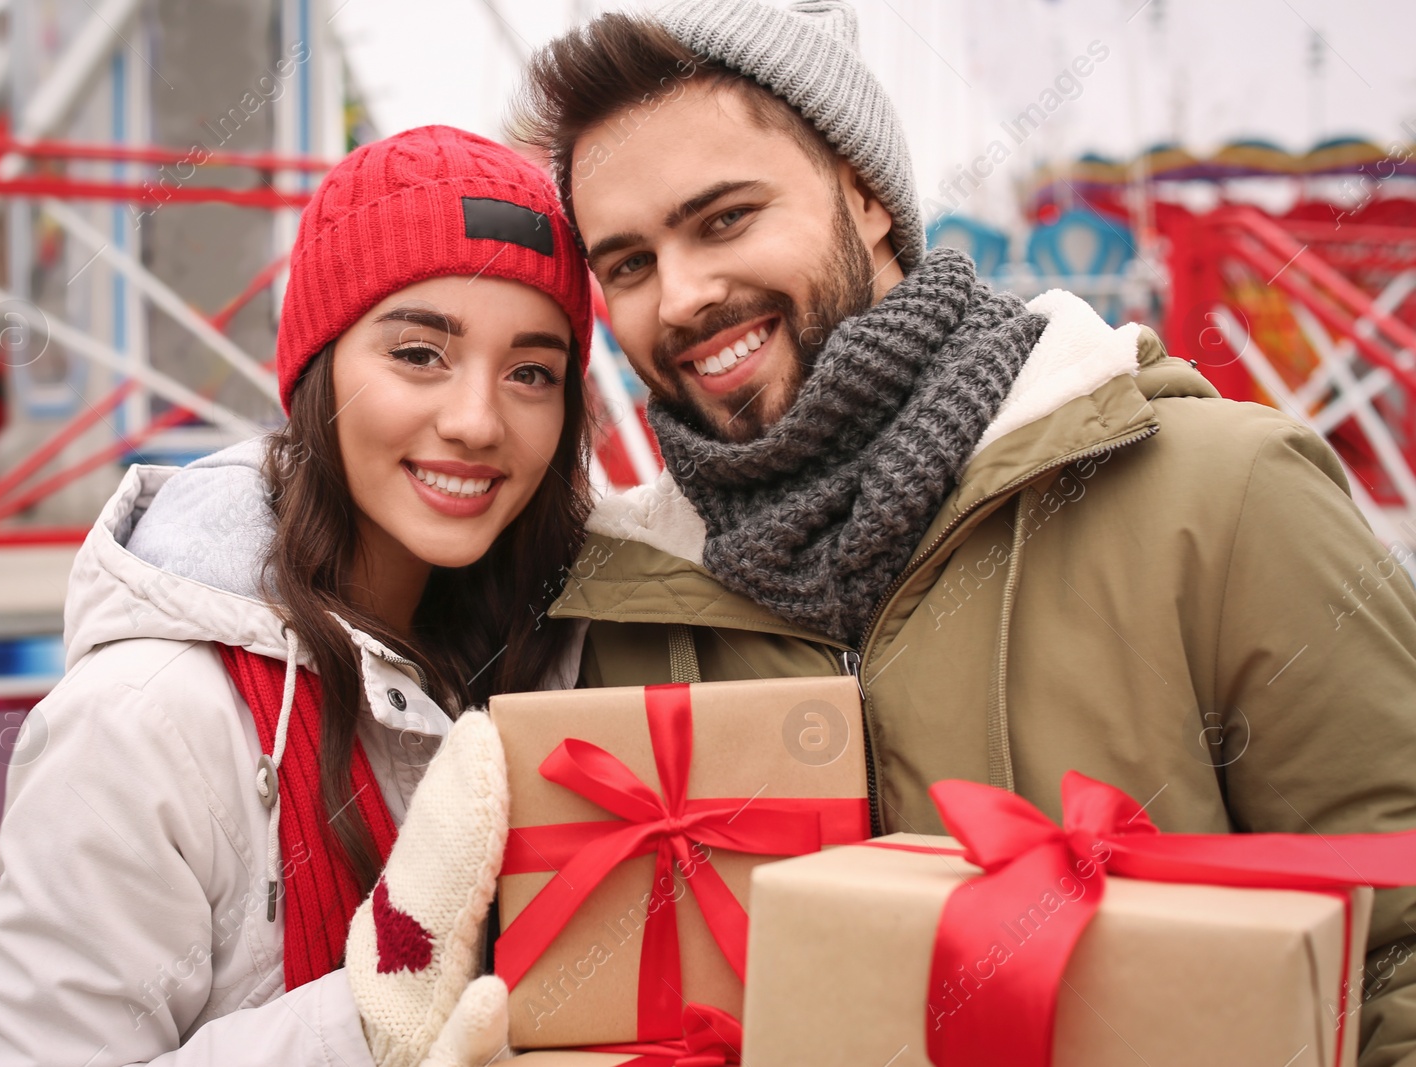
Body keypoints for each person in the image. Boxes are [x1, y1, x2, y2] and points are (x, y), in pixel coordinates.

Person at [505, 0, 1416, 1059]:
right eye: (628, 264)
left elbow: (1398, 944)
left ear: (864, 192)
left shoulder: (1223, 498)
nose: (682, 296)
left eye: (724, 219)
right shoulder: (616, 606)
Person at [0, 125, 595, 1067]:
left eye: (532, 372)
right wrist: (372, 1019)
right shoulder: (146, 718)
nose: (476, 421)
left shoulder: (564, 659)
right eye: (420, 352)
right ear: (317, 368)